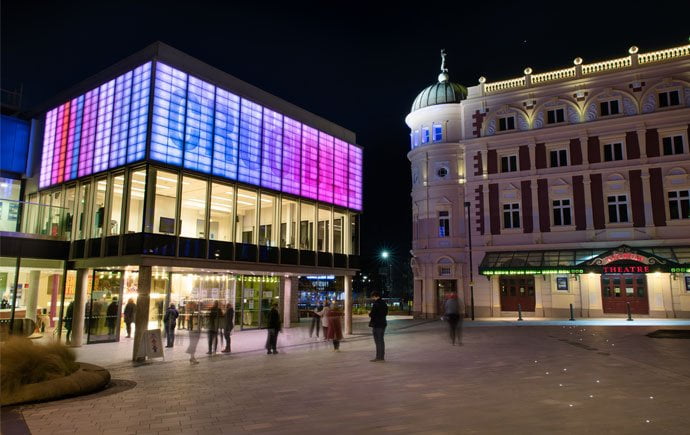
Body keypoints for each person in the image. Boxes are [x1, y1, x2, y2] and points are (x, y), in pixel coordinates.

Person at [369, 291, 388, 362]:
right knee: (381, 341)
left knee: (378, 341)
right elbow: (385, 313)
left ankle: (379, 357)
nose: (372, 298)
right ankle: (381, 357)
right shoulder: (384, 303)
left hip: (377, 324)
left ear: (375, 296)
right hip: (383, 324)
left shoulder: (376, 304)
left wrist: (370, 314)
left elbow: (372, 314)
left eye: (373, 297)